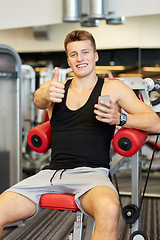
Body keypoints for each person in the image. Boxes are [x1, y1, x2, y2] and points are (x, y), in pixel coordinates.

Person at [0, 30, 160, 240]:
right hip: (51, 174)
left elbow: (156, 123)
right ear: (68, 60)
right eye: (73, 54)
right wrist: (43, 92)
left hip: (92, 174)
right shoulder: (57, 89)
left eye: (85, 52)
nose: (80, 58)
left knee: (109, 209)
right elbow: (39, 100)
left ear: (95, 56)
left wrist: (120, 119)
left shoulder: (113, 88)